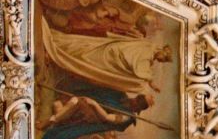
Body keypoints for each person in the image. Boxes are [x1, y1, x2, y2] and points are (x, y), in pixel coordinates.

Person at [41, 16, 172, 94]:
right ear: (162, 50)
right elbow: (139, 68)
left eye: (163, 61)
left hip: (111, 62)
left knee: (83, 58)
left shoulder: (148, 55)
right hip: (110, 52)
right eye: (164, 58)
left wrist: (149, 82)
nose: (161, 60)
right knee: (83, 50)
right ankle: (57, 47)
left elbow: (139, 68)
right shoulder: (148, 47)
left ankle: (56, 53)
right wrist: (151, 82)